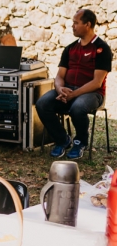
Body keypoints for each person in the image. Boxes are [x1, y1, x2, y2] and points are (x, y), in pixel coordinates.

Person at [35, 9, 112, 160]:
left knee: (78, 107)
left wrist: (73, 95)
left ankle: (80, 142)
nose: (72, 26)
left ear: (88, 25)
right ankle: (62, 139)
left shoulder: (101, 49)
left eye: (76, 23)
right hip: (68, 91)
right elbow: (59, 76)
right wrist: (60, 90)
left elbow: (97, 82)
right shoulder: (70, 48)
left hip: (93, 94)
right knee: (42, 103)